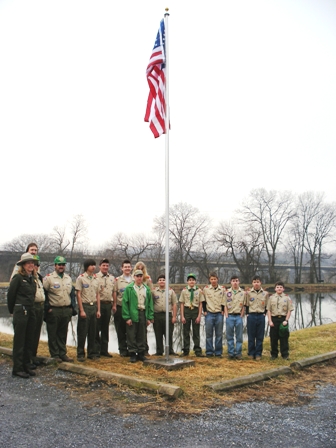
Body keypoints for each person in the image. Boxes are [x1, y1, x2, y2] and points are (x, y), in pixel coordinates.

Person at [7, 253, 38, 378]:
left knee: (29, 340)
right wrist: (12, 310)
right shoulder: (18, 278)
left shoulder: (32, 278)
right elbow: (11, 296)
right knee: (20, 341)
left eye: (32, 263)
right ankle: (17, 368)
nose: (31, 265)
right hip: (21, 311)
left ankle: (26, 365)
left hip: (31, 311)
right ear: (23, 265)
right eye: (28, 263)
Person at [43, 256, 75, 362]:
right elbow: (44, 293)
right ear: (55, 266)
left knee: (63, 333)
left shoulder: (68, 278)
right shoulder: (49, 278)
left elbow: (72, 294)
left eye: (63, 265)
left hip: (65, 310)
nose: (61, 266)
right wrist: (47, 308)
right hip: (54, 310)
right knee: (53, 333)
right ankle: (55, 354)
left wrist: (72, 308)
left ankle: (63, 353)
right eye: (59, 264)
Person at [122, 269, 154, 363]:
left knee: (142, 334)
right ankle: (132, 353)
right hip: (133, 313)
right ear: (134, 277)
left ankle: (141, 353)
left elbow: (150, 304)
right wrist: (127, 317)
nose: (139, 278)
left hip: (143, 312)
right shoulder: (129, 288)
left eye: (140, 276)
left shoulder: (146, 289)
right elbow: (125, 303)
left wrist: (149, 317)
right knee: (131, 334)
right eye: (137, 276)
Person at [75, 259, 100, 362]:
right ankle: (80, 353)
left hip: (93, 306)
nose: (93, 267)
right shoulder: (81, 278)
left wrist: (98, 310)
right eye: (91, 265)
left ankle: (92, 353)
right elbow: (78, 294)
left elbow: (98, 295)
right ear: (86, 267)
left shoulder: (96, 279)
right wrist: (81, 310)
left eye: (94, 265)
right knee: (82, 331)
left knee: (93, 332)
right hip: (85, 306)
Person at [179, 273, 204, 357]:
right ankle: (186, 350)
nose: (191, 281)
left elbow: (201, 304)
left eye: (193, 280)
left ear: (195, 281)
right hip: (187, 311)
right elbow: (182, 304)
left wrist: (199, 316)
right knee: (186, 331)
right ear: (187, 282)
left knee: (196, 332)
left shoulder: (199, 291)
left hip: (195, 311)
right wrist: (182, 316)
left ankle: (197, 350)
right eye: (190, 280)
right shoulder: (184, 291)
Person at [267, 281, 294, 360]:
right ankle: (274, 354)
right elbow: (268, 310)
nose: (279, 288)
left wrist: (286, 320)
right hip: (274, 319)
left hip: (283, 319)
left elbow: (289, 310)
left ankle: (285, 354)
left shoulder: (287, 298)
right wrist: (270, 321)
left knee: (284, 338)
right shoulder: (271, 298)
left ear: (283, 289)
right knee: (273, 338)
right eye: (277, 287)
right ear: (275, 289)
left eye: (281, 287)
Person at [244, 275, 268, 360]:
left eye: (258, 282)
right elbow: (246, 304)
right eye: (254, 282)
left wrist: (265, 313)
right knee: (251, 335)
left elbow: (267, 305)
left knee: (260, 336)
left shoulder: (265, 294)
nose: (256, 284)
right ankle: (251, 353)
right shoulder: (249, 293)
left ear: (260, 282)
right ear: (252, 283)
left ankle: (258, 353)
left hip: (261, 315)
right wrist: (247, 314)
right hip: (251, 315)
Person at [152, 274, 177, 356]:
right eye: (160, 280)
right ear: (157, 282)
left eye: (163, 280)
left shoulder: (170, 291)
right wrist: (151, 316)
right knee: (158, 334)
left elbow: (174, 304)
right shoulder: (154, 291)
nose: (162, 281)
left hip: (168, 315)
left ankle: (170, 350)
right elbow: (151, 304)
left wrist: (174, 316)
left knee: (169, 334)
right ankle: (159, 351)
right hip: (157, 315)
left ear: (166, 281)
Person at [202, 272, 226, 358]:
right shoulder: (206, 289)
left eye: (215, 279)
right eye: (211, 279)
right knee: (209, 334)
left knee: (219, 334)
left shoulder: (222, 289)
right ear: (209, 280)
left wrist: (223, 310)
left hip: (219, 313)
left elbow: (224, 300)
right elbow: (203, 300)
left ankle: (218, 352)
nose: (213, 281)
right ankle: (209, 352)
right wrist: (204, 311)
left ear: (217, 279)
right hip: (209, 313)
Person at [95, 258, 115, 357]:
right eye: (103, 265)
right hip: (99, 304)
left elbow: (114, 292)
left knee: (105, 328)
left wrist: (114, 304)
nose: (105, 267)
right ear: (100, 266)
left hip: (108, 305)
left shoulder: (111, 278)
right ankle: (97, 349)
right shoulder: (95, 277)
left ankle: (104, 350)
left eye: (107, 265)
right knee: (96, 327)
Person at [113, 259, 132, 357]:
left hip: (131, 309)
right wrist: (115, 305)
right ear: (122, 268)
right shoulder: (117, 280)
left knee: (130, 330)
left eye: (129, 267)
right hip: (120, 307)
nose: (127, 268)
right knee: (120, 330)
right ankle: (123, 350)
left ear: (131, 268)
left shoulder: (134, 279)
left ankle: (131, 349)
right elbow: (115, 293)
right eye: (125, 267)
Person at [224, 275, 245, 360]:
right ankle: (231, 352)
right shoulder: (226, 293)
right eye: (233, 281)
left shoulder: (243, 293)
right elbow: (224, 304)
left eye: (236, 280)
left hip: (238, 316)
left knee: (239, 336)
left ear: (239, 282)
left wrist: (242, 314)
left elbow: (244, 305)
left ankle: (238, 353)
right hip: (230, 316)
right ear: (231, 282)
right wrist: (226, 315)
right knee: (229, 335)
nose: (235, 282)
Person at [30, 255, 45, 367]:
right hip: (32, 307)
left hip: (40, 307)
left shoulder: (39, 277)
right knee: (29, 334)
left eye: (38, 265)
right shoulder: (27, 277)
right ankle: (28, 358)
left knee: (36, 334)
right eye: (35, 265)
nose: (36, 267)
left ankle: (33, 356)